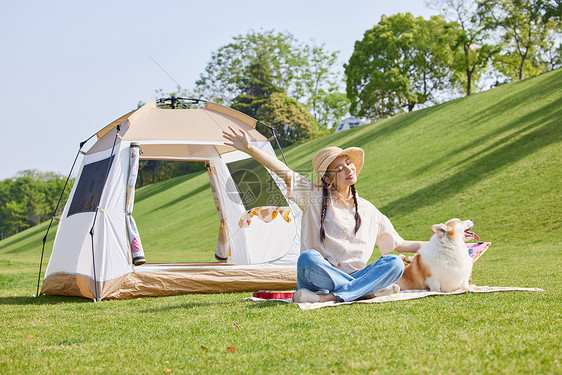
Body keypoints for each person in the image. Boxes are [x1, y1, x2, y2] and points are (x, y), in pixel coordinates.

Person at [223, 126, 425, 303]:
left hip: (352, 275)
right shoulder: (312, 195)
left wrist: (440, 240)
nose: (348, 169)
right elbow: (283, 171)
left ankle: (332, 297)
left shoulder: (369, 210)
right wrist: (249, 148)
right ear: (327, 179)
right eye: (339, 168)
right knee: (308, 259)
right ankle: (366, 291)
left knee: (395, 263)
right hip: (317, 277)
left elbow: (398, 245)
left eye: (348, 162)